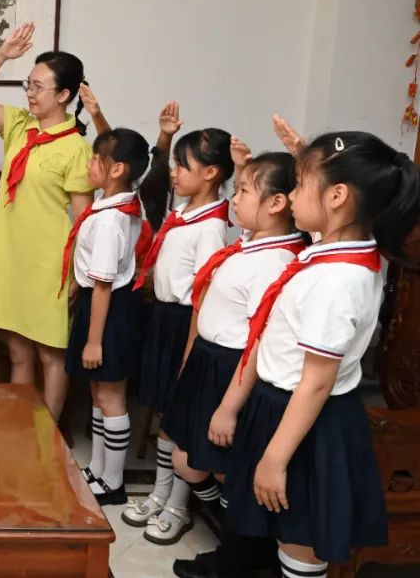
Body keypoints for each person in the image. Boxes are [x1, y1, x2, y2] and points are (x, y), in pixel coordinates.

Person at [211, 132, 418, 578]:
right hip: (283, 407)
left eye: (300, 184)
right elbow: (331, 210)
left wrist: (275, 458)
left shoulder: (335, 281)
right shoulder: (339, 252)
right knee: (280, 528)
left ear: (338, 197)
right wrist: (308, 157)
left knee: (299, 540)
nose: (290, 196)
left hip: (303, 416)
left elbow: (317, 381)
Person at [153, 151, 305, 551]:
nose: (233, 199)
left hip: (232, 370)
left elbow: (258, 340)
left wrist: (228, 407)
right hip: (208, 360)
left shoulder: (275, 260)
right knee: (189, 458)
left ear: (276, 203)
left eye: (242, 191)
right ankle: (226, 527)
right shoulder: (249, 245)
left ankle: (237, 543)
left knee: (221, 467)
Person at [0, 22, 95, 421]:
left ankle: (49, 434)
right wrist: (2, 55)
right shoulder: (19, 126)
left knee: (50, 354)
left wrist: (78, 273)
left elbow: (84, 219)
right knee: (18, 351)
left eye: (39, 87)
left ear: (64, 95)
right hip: (12, 258)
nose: (31, 94)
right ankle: (19, 429)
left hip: (49, 264)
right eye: (28, 85)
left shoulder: (76, 148)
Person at [124, 128, 234, 531]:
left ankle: (177, 506)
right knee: (164, 412)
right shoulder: (183, 211)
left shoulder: (211, 227)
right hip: (164, 318)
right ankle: (159, 493)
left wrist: (190, 349)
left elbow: (203, 294)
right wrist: (165, 137)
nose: (174, 173)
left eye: (182, 167)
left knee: (178, 414)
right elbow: (152, 184)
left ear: (210, 173)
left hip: (186, 324)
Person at [63, 128, 154, 505]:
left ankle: (113, 483)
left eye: (95, 159)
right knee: (98, 393)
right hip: (103, 304)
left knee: (111, 395)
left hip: (109, 310)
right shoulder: (118, 205)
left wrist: (94, 341)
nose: (89, 164)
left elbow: (103, 284)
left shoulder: (109, 220)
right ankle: (98, 471)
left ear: (117, 169)